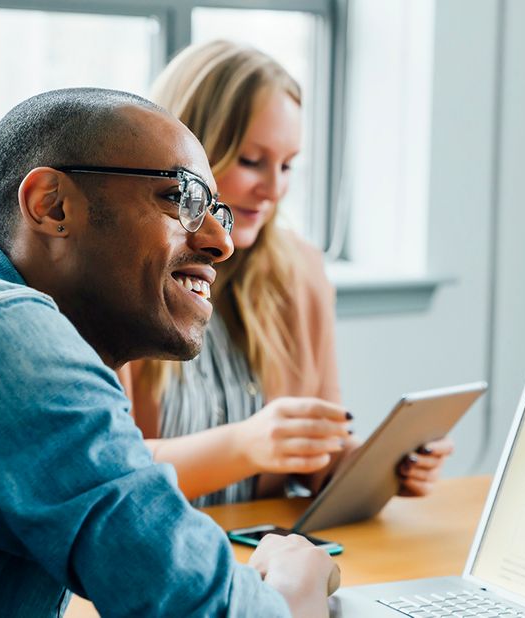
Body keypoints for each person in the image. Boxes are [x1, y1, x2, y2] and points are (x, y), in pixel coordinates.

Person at [0, 88, 337, 616]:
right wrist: (293, 582)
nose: (221, 241)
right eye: (178, 198)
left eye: (218, 210)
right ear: (52, 205)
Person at [119, 40, 453, 506]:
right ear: (189, 153)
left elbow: (316, 460)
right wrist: (245, 446)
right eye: (252, 161)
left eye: (288, 165)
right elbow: (103, 476)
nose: (274, 188)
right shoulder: (116, 273)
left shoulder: (300, 273)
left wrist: (383, 465)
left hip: (255, 550)